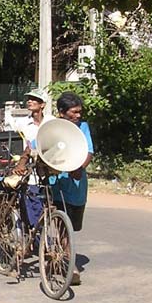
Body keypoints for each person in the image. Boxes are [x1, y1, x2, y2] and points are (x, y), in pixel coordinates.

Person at [48, 91, 94, 285]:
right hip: (56, 183)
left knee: (72, 226)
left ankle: (61, 256)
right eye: (73, 112)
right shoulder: (52, 128)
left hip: (76, 184)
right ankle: (70, 265)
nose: (78, 116)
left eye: (79, 112)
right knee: (62, 226)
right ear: (61, 113)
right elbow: (38, 145)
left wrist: (80, 168)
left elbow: (89, 151)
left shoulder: (83, 127)